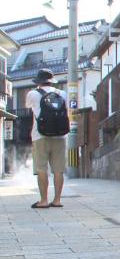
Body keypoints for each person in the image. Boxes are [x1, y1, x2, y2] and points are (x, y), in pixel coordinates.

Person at [26, 68, 69, 209]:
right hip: (60, 135)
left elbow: (28, 106)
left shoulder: (33, 93)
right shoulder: (62, 93)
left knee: (41, 168)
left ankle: (43, 200)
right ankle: (57, 200)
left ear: (39, 82)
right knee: (58, 169)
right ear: (52, 80)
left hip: (40, 135)